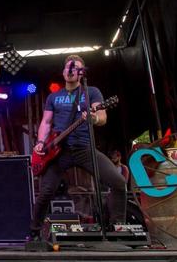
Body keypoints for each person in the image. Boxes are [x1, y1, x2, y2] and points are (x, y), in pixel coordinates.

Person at [30, 55, 126, 239]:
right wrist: (41, 143)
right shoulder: (54, 96)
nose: (71, 70)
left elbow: (102, 117)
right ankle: (34, 232)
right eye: (68, 67)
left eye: (75, 68)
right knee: (46, 191)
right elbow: (46, 122)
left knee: (118, 182)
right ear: (63, 72)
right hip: (58, 151)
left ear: (81, 73)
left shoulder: (91, 92)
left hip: (84, 147)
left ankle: (118, 227)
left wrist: (94, 118)